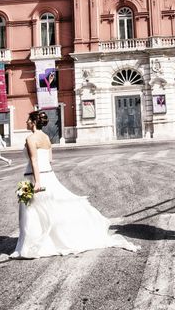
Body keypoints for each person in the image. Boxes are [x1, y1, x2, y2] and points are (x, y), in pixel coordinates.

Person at [11, 110, 139, 259]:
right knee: (51, 209)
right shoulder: (46, 138)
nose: (26, 122)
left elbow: (34, 160)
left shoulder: (31, 138)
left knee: (33, 212)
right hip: (49, 175)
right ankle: (49, 240)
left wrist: (37, 182)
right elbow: (50, 159)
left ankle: (33, 244)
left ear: (33, 122)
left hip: (35, 178)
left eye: (28, 119)